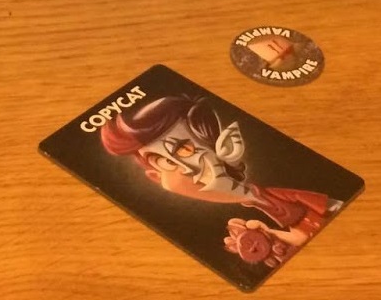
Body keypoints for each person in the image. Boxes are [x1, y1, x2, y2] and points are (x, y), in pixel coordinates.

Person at [100, 95, 343, 268]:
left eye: (185, 148)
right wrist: (283, 243)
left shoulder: (277, 184)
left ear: (220, 141)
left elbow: (334, 210)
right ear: (156, 178)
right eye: (164, 162)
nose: (188, 169)